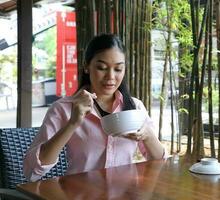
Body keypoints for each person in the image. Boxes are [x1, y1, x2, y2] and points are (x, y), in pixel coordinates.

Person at [23, 33, 166, 182]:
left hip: (125, 193)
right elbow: (32, 172)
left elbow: (160, 162)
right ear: (86, 66)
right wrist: (72, 124)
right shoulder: (63, 109)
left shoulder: (134, 107)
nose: (110, 76)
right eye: (102, 68)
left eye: (118, 69)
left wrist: (148, 135)